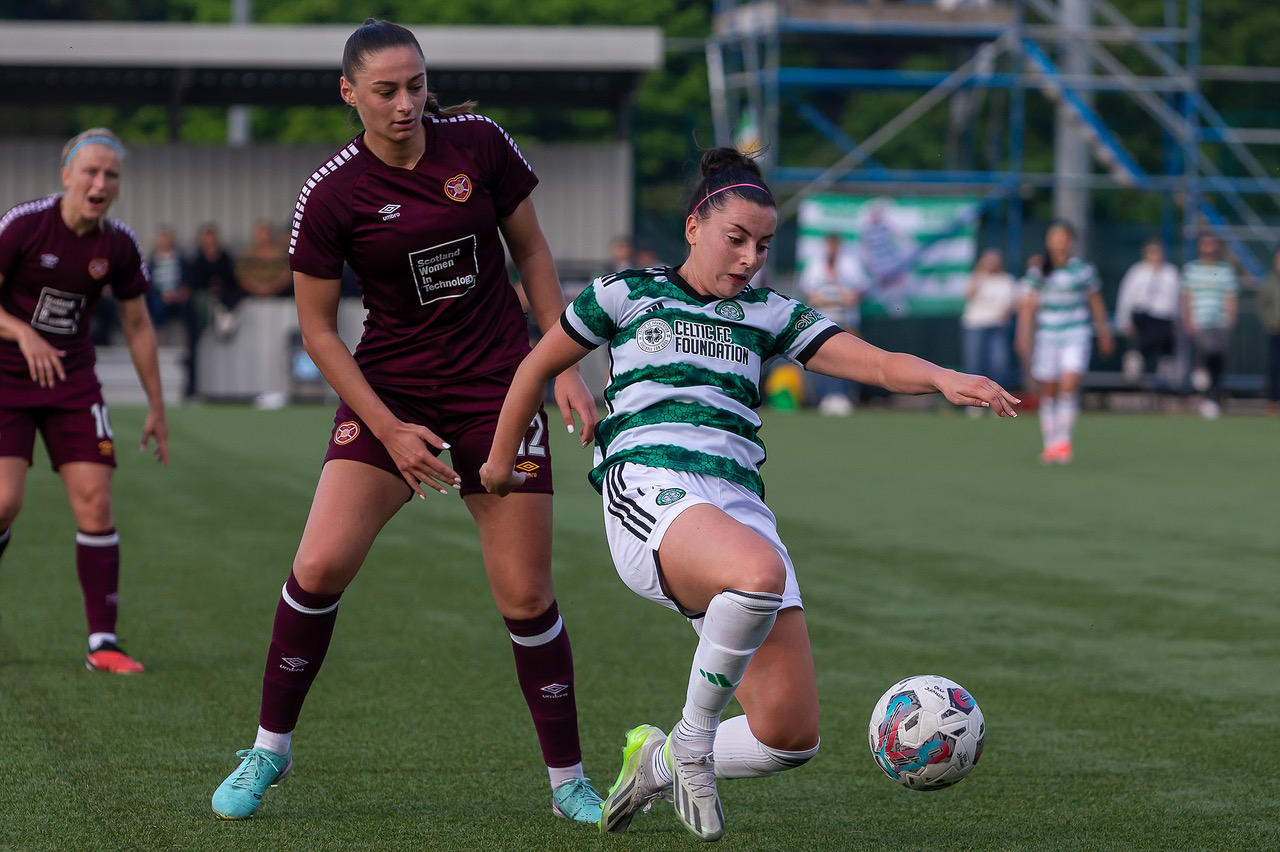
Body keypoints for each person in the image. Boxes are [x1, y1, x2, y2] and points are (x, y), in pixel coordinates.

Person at [480, 147, 1019, 842]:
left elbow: (878, 363)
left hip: (738, 505)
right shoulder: (625, 293)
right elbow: (535, 368)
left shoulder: (769, 313)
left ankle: (660, 761)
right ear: (694, 226)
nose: (748, 258)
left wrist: (945, 377)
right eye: (735, 239)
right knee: (758, 573)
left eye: (762, 246)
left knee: (787, 737)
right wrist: (500, 463)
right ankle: (694, 743)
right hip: (650, 482)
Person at [210, 19, 602, 824]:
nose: (405, 104)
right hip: (394, 392)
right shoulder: (331, 193)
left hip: (500, 389)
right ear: (349, 93)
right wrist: (388, 429)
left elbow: (532, 254)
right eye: (385, 90)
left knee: (526, 595)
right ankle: (268, 750)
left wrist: (559, 362)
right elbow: (318, 331)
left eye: (415, 86)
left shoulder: (479, 143)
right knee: (318, 566)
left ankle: (569, 784)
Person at [0, 127, 169, 674]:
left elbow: (138, 326)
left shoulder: (118, 245)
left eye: (111, 174)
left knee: (96, 502)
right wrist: (22, 333)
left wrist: (156, 404)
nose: (100, 183)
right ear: (66, 176)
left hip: (72, 382)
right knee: (3, 502)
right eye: (91, 172)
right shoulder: (23, 226)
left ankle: (103, 643)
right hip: (6, 377)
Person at [1015, 221, 1114, 464]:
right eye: (1054, 237)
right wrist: (1023, 334)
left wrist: (1104, 332)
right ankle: (1050, 442)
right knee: (1049, 390)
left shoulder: (1083, 270)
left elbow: (1095, 301)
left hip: (1075, 334)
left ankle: (1063, 441)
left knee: (1068, 385)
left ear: (1071, 241)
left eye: (1062, 237)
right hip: (1047, 337)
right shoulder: (1039, 270)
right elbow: (1027, 305)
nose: (1058, 242)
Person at [797, 232, 866, 414]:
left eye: (836, 245)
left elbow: (856, 294)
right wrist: (833, 300)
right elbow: (810, 294)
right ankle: (826, 397)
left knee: (848, 360)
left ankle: (844, 396)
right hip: (821, 322)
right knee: (824, 360)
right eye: (830, 245)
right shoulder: (815, 264)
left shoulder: (851, 265)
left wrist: (839, 299)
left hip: (846, 321)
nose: (833, 249)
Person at [1181, 233, 1239, 419]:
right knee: (1208, 352)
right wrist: (1188, 319)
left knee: (1218, 361)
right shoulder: (1191, 269)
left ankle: (1214, 399)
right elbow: (1187, 296)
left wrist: (1231, 318)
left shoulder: (1225, 270)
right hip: (1201, 320)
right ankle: (1200, 369)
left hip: (1220, 321)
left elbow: (1230, 296)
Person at [1114, 238, 1180, 386]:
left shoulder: (1171, 272)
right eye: (1152, 252)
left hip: (1163, 318)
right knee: (1139, 347)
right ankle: (1134, 374)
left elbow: (1176, 299)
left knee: (1165, 348)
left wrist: (1176, 320)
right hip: (1142, 316)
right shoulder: (1136, 271)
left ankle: (1164, 378)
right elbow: (1126, 297)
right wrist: (1124, 320)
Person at [960, 248, 1017, 395]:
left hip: (997, 327)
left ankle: (996, 398)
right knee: (974, 364)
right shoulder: (976, 278)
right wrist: (979, 275)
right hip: (975, 326)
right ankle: (974, 400)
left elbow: (1010, 306)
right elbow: (968, 294)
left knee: (998, 364)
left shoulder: (1007, 280)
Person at [146, 226, 191, 337]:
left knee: (188, 305)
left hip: (177, 293)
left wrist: (179, 292)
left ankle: (187, 337)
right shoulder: (153, 260)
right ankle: (158, 335)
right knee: (156, 305)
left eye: (166, 240)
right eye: (162, 240)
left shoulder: (179, 258)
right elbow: (148, 280)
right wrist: (162, 294)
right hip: (159, 294)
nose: (164, 243)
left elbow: (187, 277)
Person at [235, 220, 293, 298]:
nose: (263, 238)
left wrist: (270, 288)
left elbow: (286, 276)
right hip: (250, 297)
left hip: (279, 297)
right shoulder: (248, 255)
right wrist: (256, 288)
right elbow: (241, 275)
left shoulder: (281, 255)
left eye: (266, 234)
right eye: (260, 234)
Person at [1257, 247, 1280, 415]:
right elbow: (1262, 304)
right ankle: (1273, 400)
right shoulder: (1270, 281)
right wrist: (1269, 322)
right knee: (1275, 365)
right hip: (1276, 330)